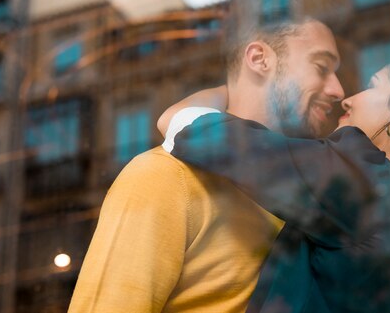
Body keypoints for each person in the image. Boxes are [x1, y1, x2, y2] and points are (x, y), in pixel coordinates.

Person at [67, 17, 345, 312]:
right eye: (321, 67)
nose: (338, 90)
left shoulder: (313, 196)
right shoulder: (164, 177)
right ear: (259, 59)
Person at [161, 54, 390, 313]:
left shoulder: (364, 178)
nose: (348, 99)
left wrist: (229, 91)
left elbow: (184, 124)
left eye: (372, 85)